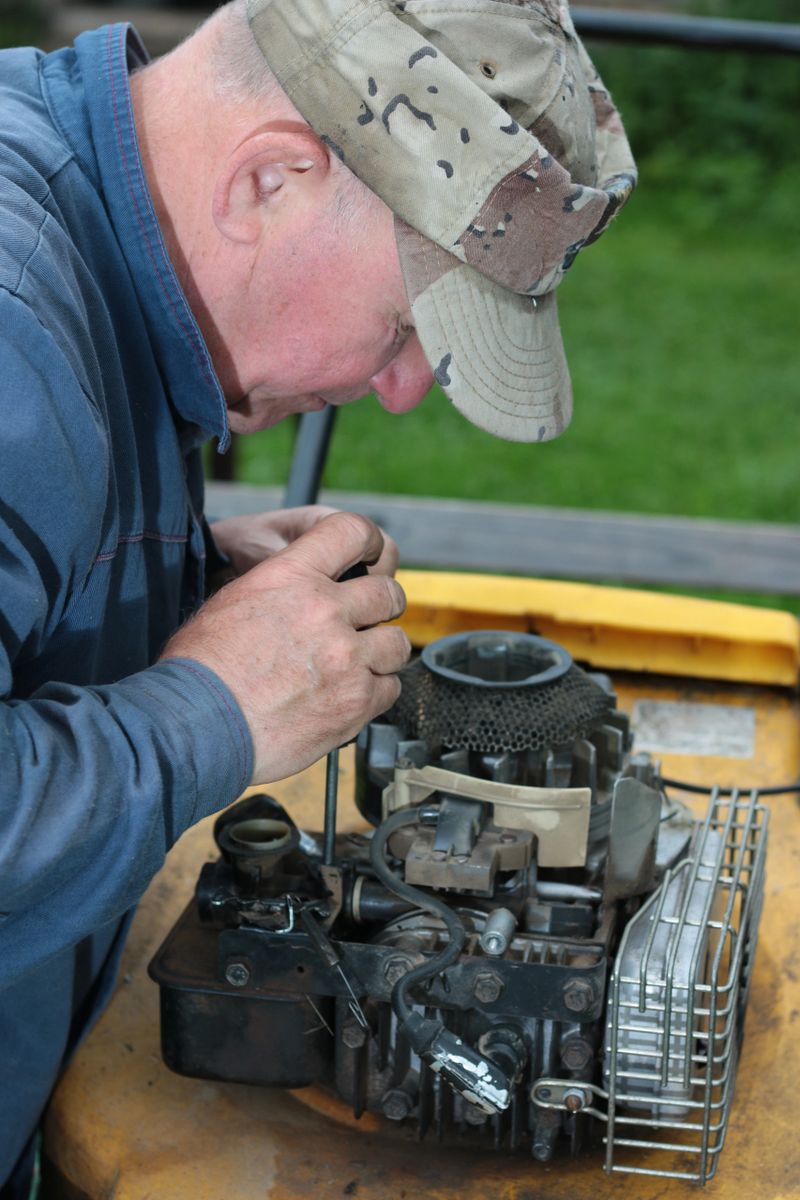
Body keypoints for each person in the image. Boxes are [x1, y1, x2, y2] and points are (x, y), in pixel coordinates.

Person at [0, 0, 635, 1191]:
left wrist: (173, 582)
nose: (399, 391)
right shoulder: (10, 324)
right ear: (272, 177)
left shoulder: (75, 232)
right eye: (405, 324)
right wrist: (209, 707)